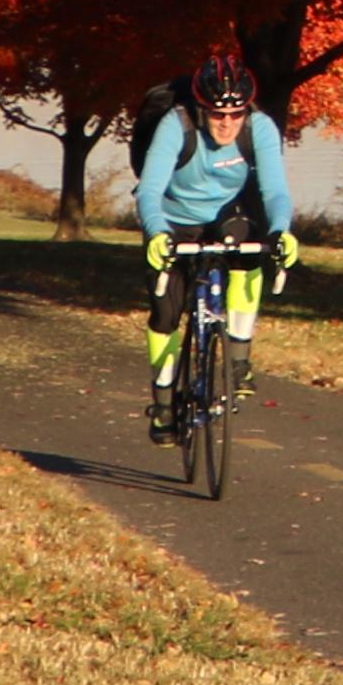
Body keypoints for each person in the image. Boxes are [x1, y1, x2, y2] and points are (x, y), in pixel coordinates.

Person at [134, 54, 296, 441]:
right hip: (173, 218)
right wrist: (157, 233)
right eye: (217, 114)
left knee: (251, 250)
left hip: (227, 212)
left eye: (236, 114)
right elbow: (149, 190)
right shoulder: (177, 125)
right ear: (200, 108)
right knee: (165, 314)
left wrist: (281, 231)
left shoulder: (260, 128)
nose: (227, 123)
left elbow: (274, 190)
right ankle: (162, 404)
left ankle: (238, 359)